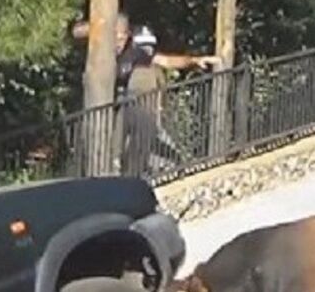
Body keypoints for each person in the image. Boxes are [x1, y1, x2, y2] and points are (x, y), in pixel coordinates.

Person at [72, 12, 222, 176]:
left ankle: (128, 170)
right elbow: (76, 32)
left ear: (128, 35)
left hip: (126, 101)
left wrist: (194, 60)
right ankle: (111, 160)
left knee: (143, 114)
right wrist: (98, 26)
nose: (118, 43)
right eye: (115, 38)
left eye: (122, 38)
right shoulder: (101, 41)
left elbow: (165, 61)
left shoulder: (136, 50)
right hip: (101, 98)